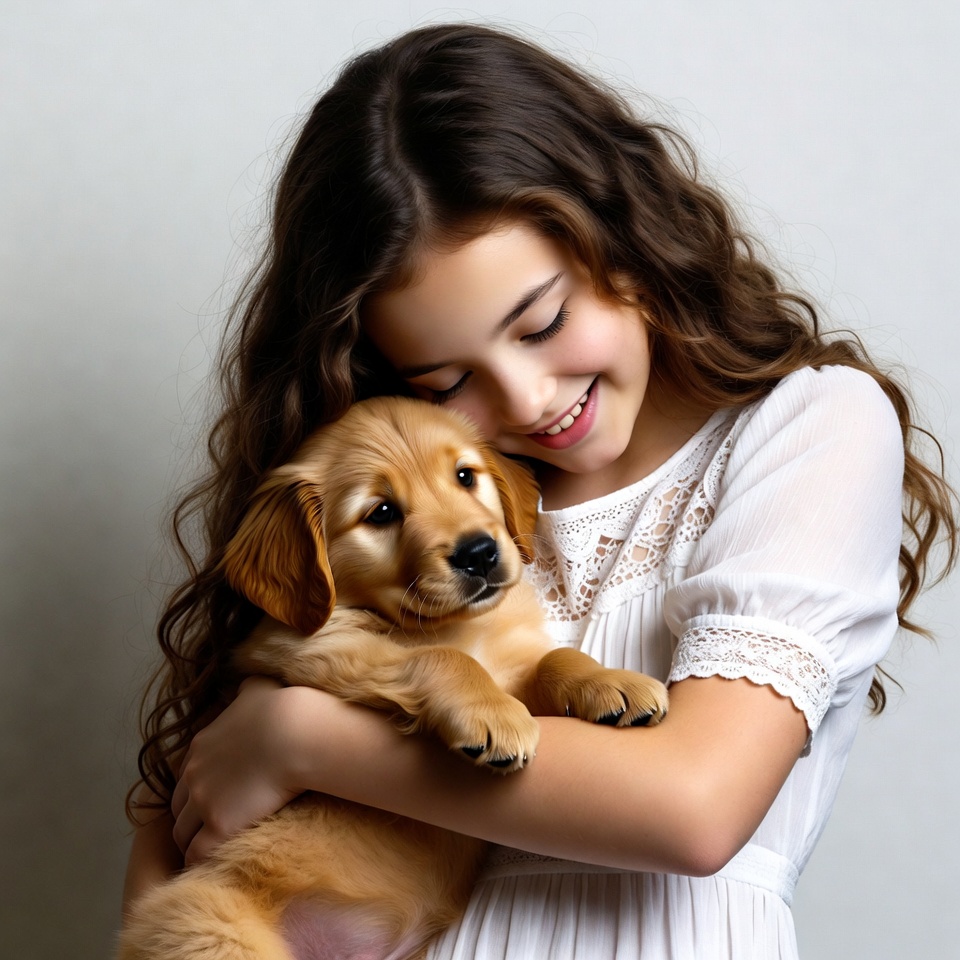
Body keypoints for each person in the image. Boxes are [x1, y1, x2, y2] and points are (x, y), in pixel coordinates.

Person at [122, 22, 957, 959]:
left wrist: (296, 738)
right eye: (445, 381)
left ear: (626, 239)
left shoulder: (810, 429)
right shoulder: (435, 489)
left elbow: (694, 808)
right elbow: (178, 848)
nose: (524, 401)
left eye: (543, 322)